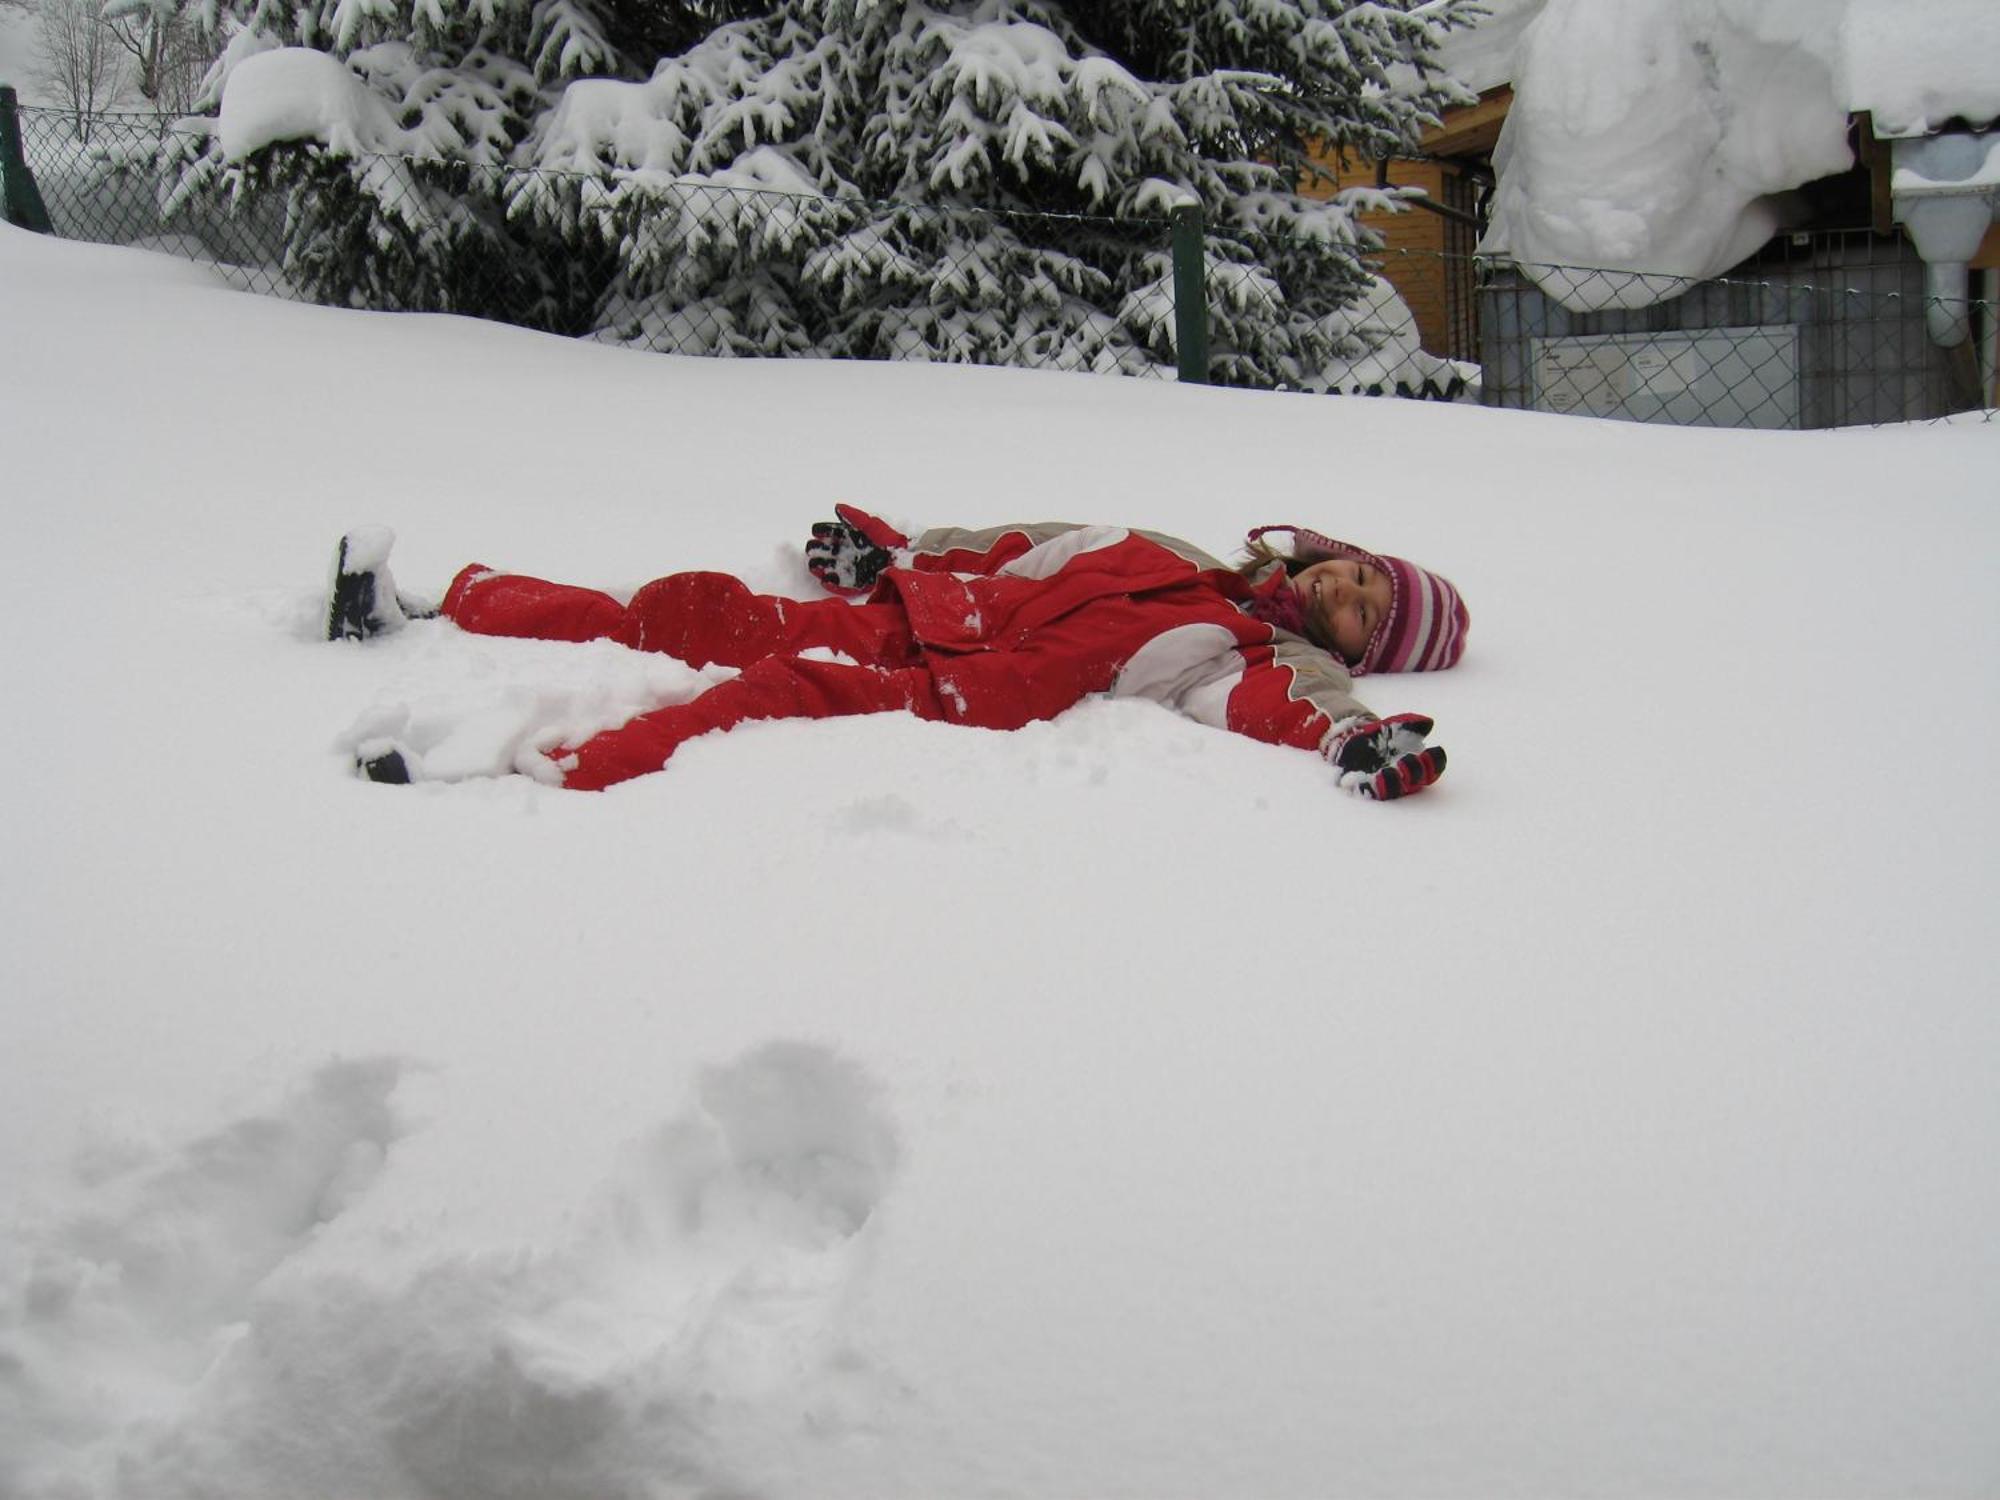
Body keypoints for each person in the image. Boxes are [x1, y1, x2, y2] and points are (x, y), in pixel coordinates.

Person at [327, 506, 1467, 799]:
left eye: (1368, 610)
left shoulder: (1237, 648)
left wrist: (1358, 740)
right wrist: (891, 552)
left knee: (767, 693)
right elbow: (1020, 543)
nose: (1343, 590)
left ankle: (505, 775)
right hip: (915, 614)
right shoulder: (1167, 550)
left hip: (959, 689)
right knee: (691, 610)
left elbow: (1289, 703)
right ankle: (435, 607)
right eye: (1357, 570)